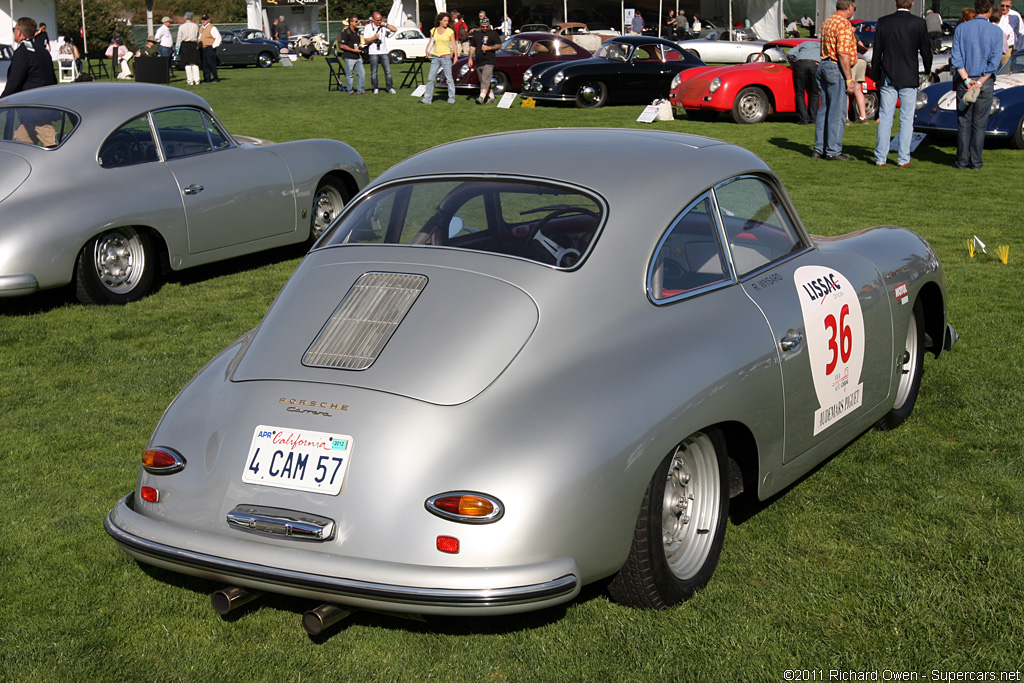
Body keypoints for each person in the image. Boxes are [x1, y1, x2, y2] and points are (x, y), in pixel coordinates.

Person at [872, 0, 932, 167]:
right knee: (906, 118)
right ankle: (903, 158)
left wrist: (876, 74)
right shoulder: (919, 23)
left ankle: (880, 158)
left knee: (885, 117)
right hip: (908, 76)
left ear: (895, 2)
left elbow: (877, 51)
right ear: (912, 3)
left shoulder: (883, 22)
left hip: (888, 75)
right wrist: (928, 69)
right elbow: (926, 50)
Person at [951, 0, 1004, 168]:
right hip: (985, 82)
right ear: (989, 10)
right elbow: (994, 62)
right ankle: (976, 161)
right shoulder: (996, 31)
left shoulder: (961, 28)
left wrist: (967, 79)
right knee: (979, 124)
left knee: (964, 123)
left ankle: (961, 161)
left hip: (964, 80)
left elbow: (956, 58)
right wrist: (980, 82)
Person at [813, 0, 858, 161]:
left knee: (824, 110)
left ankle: (819, 149)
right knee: (837, 111)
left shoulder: (828, 21)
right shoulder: (843, 24)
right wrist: (849, 79)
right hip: (835, 66)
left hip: (823, 65)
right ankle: (833, 150)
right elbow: (843, 54)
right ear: (850, 7)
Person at [1, 17, 57, 98]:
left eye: (14, 29)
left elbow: (15, 81)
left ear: (19, 32)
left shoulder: (22, 52)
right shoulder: (43, 51)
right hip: (48, 97)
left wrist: (3, 99)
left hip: (30, 99)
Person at [421, 12, 456, 104]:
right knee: (430, 78)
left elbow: (453, 44)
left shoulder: (450, 31)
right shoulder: (433, 30)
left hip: (446, 57)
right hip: (436, 57)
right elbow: (431, 41)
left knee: (449, 78)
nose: (446, 23)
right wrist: (427, 50)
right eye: (444, 21)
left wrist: (456, 56)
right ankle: (427, 99)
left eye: (447, 21)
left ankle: (451, 98)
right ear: (440, 21)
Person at [468, 15, 501, 103]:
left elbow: (499, 45)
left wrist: (489, 48)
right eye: (483, 27)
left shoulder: (493, 34)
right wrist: (470, 58)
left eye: (487, 26)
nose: (485, 28)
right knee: (484, 80)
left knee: (485, 79)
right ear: (480, 25)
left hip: (489, 60)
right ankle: (491, 97)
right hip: (479, 61)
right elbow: (472, 47)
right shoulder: (477, 34)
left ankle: (481, 97)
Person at [788, 39, 821, 124]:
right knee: (814, 93)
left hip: (801, 64)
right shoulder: (820, 45)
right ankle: (814, 118)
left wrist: (793, 64)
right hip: (815, 65)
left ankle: (804, 119)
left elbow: (790, 53)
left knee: (800, 93)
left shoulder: (803, 44)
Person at [364, 11, 397, 94]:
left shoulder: (383, 26)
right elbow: (365, 40)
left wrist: (385, 24)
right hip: (373, 52)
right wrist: (373, 38)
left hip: (384, 51)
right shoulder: (368, 27)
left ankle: (390, 87)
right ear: (373, 20)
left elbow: (395, 29)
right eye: (377, 20)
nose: (379, 22)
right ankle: (375, 88)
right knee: (374, 72)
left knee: (388, 71)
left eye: (380, 20)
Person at [337, 15, 367, 94]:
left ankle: (361, 90)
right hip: (349, 57)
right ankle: (350, 91)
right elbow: (342, 45)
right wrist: (353, 50)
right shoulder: (346, 32)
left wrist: (361, 46)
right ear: (351, 22)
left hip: (357, 56)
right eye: (356, 21)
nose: (358, 23)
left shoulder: (357, 31)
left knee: (362, 73)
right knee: (349, 75)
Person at [176, 11, 201, 85]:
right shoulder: (195, 26)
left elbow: (179, 38)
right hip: (193, 45)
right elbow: (197, 35)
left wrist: (177, 47)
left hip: (185, 45)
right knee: (194, 63)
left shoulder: (182, 27)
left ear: (185, 17)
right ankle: (197, 80)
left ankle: (190, 80)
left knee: (187, 63)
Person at [199, 14, 221, 83]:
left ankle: (215, 78)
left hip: (209, 48)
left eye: (205, 19)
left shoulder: (212, 28)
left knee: (211, 64)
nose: (203, 21)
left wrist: (212, 46)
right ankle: (207, 78)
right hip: (202, 48)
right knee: (204, 64)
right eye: (203, 19)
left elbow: (218, 38)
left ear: (208, 20)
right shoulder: (201, 28)